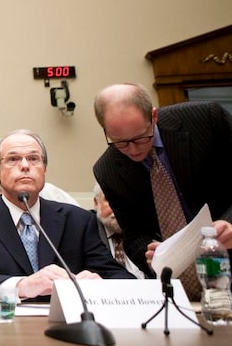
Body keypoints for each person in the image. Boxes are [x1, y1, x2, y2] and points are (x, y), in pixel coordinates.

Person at [0, 129, 132, 304]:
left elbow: (120, 277)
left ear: (44, 169)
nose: (25, 166)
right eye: (13, 159)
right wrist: (21, 285)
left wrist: (100, 283)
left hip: (66, 329)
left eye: (34, 158)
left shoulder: (77, 220)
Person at [92, 83, 232, 298]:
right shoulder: (107, 170)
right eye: (120, 142)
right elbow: (134, 234)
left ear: (154, 116)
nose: (133, 149)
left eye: (141, 138)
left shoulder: (206, 119)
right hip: (181, 290)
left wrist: (230, 223)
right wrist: (152, 255)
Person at [92, 183, 145, 280]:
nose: (117, 207)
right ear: (96, 203)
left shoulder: (145, 231)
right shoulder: (86, 233)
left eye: (124, 199)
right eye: (109, 199)